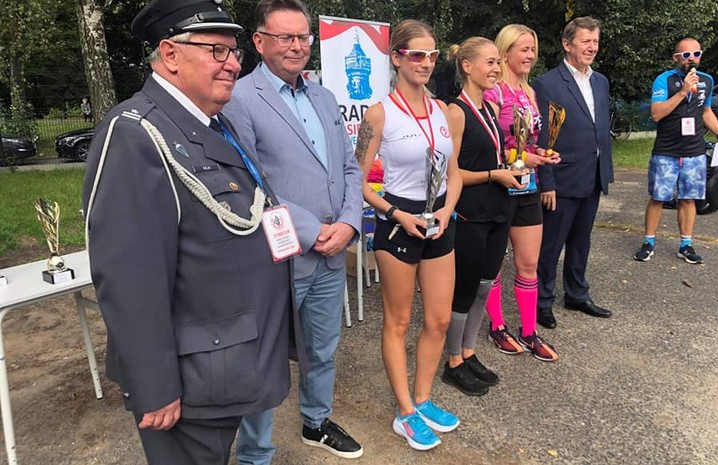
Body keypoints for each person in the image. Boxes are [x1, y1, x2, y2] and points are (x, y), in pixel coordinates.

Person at [81, 1, 304, 464]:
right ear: (170, 54)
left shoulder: (207, 123)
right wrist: (155, 385)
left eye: (234, 51)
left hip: (224, 361)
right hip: (190, 377)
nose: (233, 64)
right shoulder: (136, 133)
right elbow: (127, 277)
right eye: (216, 50)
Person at [222, 0, 364, 462]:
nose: (297, 46)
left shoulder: (323, 97)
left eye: (303, 36)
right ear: (259, 41)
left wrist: (348, 223)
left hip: (332, 249)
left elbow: (348, 168)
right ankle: (255, 454)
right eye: (285, 37)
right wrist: (311, 230)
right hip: (279, 254)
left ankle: (315, 422)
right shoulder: (239, 99)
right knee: (263, 358)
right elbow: (247, 181)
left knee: (323, 347)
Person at [355, 19, 462, 451]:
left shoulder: (444, 110)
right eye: (416, 54)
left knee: (438, 319)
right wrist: (398, 214)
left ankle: (422, 398)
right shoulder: (379, 113)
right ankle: (404, 412)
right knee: (398, 321)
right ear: (397, 58)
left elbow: (454, 174)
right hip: (398, 221)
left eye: (432, 54)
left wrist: (447, 211)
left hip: (439, 219)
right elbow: (359, 182)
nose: (426, 62)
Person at [482, 24, 561, 362]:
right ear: (505, 52)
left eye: (533, 49)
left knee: (528, 264)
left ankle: (529, 331)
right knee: (494, 264)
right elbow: (486, 145)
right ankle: (497, 326)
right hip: (499, 188)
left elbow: (528, 141)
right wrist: (522, 157)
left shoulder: (530, 92)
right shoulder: (493, 92)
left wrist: (542, 154)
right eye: (524, 49)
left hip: (529, 188)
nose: (530, 55)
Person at [532, 16, 614, 329]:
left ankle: (577, 294)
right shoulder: (547, 84)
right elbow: (543, 138)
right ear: (567, 44)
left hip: (593, 175)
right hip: (562, 178)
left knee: (581, 241)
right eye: (586, 41)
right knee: (551, 245)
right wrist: (547, 182)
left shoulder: (600, 82)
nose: (592, 47)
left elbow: (599, 128)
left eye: (595, 41)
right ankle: (542, 301)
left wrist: (604, 170)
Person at [441, 37, 508, 396]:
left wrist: (514, 167)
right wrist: (493, 175)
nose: (497, 69)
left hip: (497, 210)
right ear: (467, 66)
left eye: (498, 62)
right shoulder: (456, 112)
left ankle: (469, 352)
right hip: (470, 213)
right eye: (490, 62)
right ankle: (453, 361)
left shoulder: (491, 109)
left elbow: (493, 157)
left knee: (484, 287)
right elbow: (451, 173)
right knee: (464, 290)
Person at [633, 38, 718, 264]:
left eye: (697, 54)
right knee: (658, 198)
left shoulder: (706, 80)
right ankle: (648, 243)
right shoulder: (664, 80)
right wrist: (683, 91)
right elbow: (656, 113)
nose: (692, 59)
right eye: (686, 55)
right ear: (676, 58)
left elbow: (706, 111)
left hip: (694, 152)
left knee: (689, 199)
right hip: (666, 152)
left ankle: (686, 245)